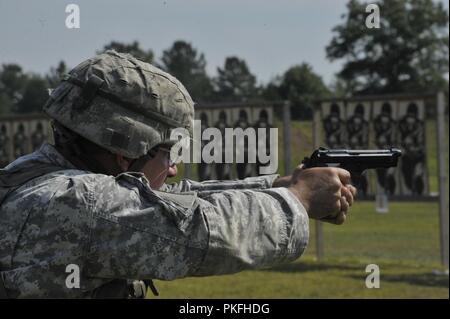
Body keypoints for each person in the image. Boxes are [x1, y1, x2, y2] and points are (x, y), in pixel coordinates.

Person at [0, 51, 356, 298]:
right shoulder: (82, 203)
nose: (173, 168)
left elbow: (171, 198)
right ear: (128, 152)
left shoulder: (32, 177)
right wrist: (299, 200)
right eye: (171, 152)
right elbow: (201, 230)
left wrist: (276, 186)